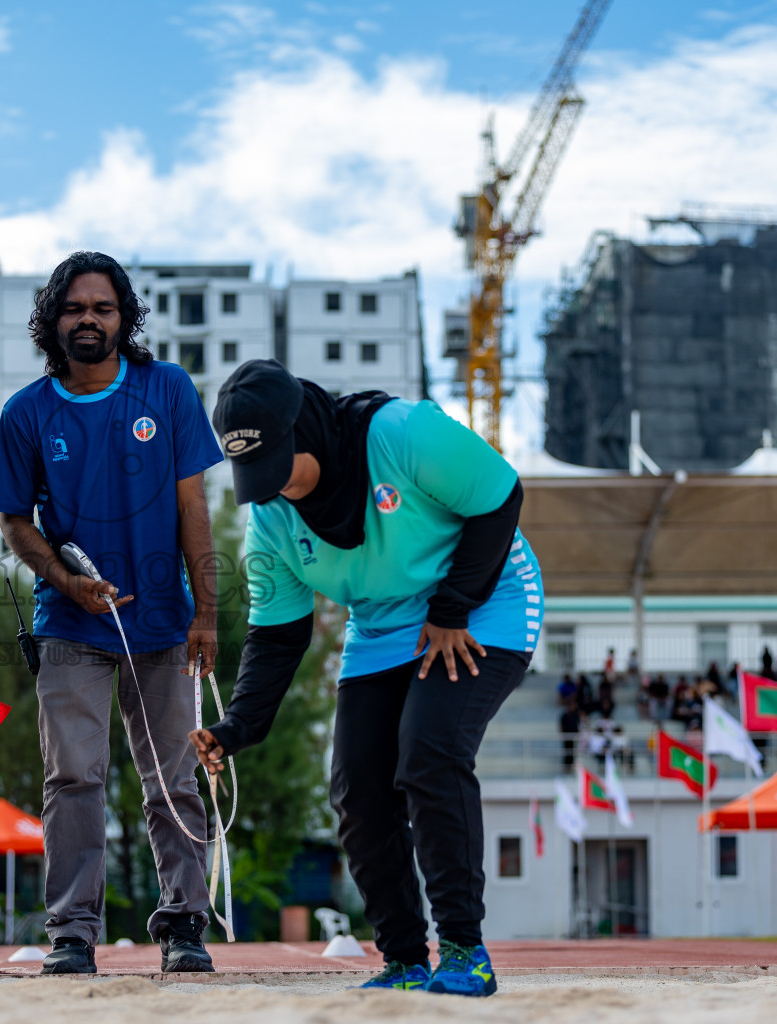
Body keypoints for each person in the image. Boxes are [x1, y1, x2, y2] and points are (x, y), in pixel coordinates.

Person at [189, 360, 539, 997]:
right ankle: (405, 959)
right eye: (255, 477)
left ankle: (465, 951)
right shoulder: (271, 516)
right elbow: (279, 635)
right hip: (381, 624)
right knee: (356, 789)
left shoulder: (404, 434)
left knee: (428, 753)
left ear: (306, 429)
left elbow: (500, 497)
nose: (274, 491)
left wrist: (453, 607)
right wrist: (238, 726)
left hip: (482, 601)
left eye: (278, 467)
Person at [0, 251, 222, 975]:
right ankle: (73, 935)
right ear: (52, 320)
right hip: (69, 622)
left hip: (161, 623)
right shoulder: (26, 413)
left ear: (125, 317)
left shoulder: (168, 389)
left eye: (103, 307)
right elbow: (14, 524)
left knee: (174, 780)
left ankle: (184, 925)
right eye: (74, 308)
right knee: (73, 779)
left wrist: (205, 613)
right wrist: (65, 578)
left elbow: (192, 506)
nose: (88, 319)